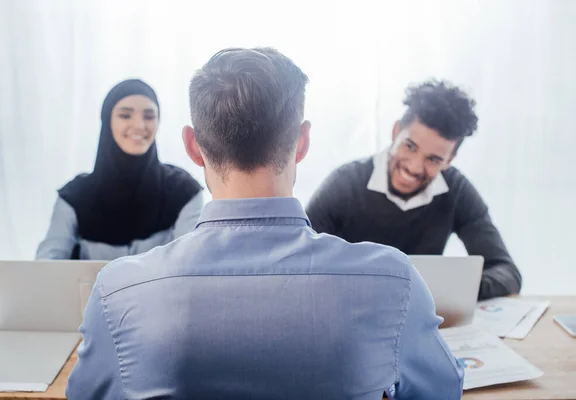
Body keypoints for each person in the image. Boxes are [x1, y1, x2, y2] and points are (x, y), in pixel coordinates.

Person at [66, 48, 463, 400]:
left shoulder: (118, 292)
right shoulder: (393, 282)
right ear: (302, 142)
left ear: (192, 147)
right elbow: (443, 392)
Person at [306, 80, 521, 300]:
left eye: (434, 159)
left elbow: (507, 273)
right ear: (396, 131)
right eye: (410, 146)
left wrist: (450, 290)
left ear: (450, 160)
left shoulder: (456, 191)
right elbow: (300, 262)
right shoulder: (345, 184)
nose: (414, 167)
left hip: (422, 321)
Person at [36, 79, 203, 260]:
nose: (139, 125)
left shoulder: (183, 191)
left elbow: (191, 266)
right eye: (125, 115)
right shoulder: (74, 197)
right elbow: (47, 267)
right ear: (108, 121)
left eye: (149, 116)